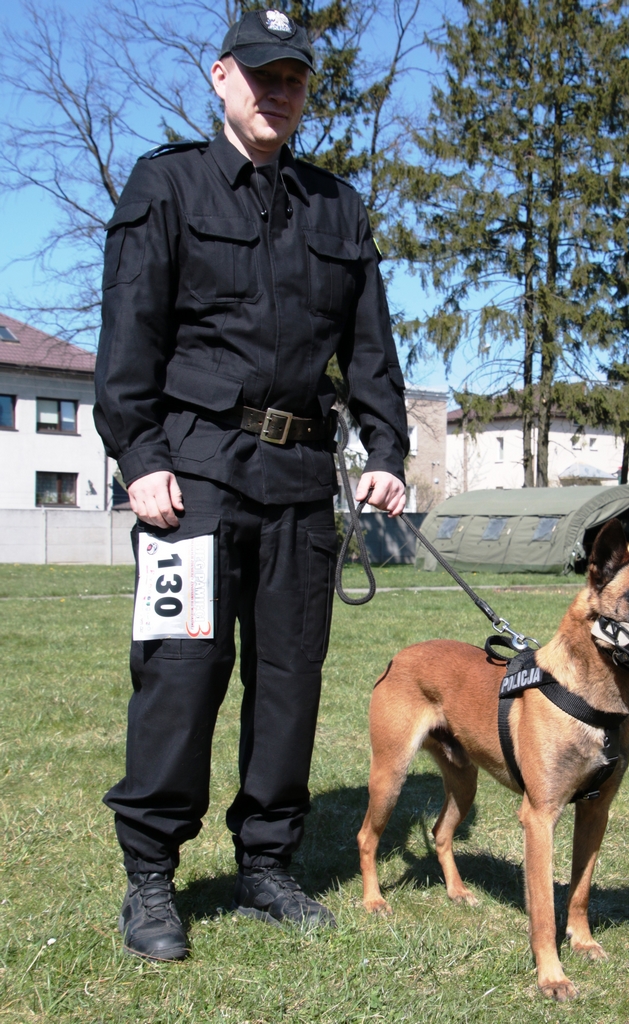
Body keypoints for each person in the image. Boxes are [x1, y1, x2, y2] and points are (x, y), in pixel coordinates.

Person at [94, 8, 409, 962]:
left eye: (294, 79)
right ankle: (152, 877)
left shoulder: (336, 207)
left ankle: (267, 864)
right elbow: (129, 337)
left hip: (301, 480)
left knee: (289, 682)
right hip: (192, 475)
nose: (279, 92)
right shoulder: (168, 185)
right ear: (221, 76)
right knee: (179, 676)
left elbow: (371, 348)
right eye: (263, 74)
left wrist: (386, 451)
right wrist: (139, 457)